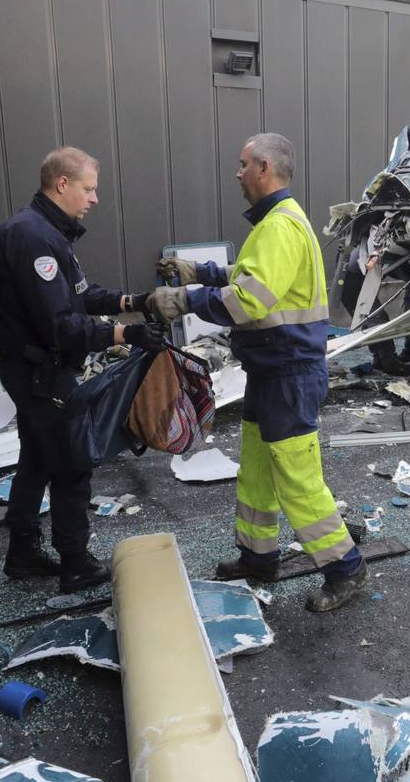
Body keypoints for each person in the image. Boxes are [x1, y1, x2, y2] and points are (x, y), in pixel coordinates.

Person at [150, 133, 368, 613]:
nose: (237, 173)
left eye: (243, 164)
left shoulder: (279, 228)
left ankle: (346, 569)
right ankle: (258, 557)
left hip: (289, 373)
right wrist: (199, 272)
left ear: (264, 167)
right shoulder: (276, 225)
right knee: (256, 470)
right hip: (273, 372)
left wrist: (181, 300)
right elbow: (248, 278)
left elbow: (248, 300)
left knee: (297, 479)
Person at [0, 146, 166, 594]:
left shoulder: (46, 232)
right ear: (62, 184)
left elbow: (79, 297)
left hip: (28, 369)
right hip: (41, 373)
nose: (94, 199)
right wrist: (125, 335)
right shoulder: (35, 239)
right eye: (89, 189)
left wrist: (134, 302)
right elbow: (60, 325)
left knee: (35, 460)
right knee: (70, 465)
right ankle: (76, 562)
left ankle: (23, 552)